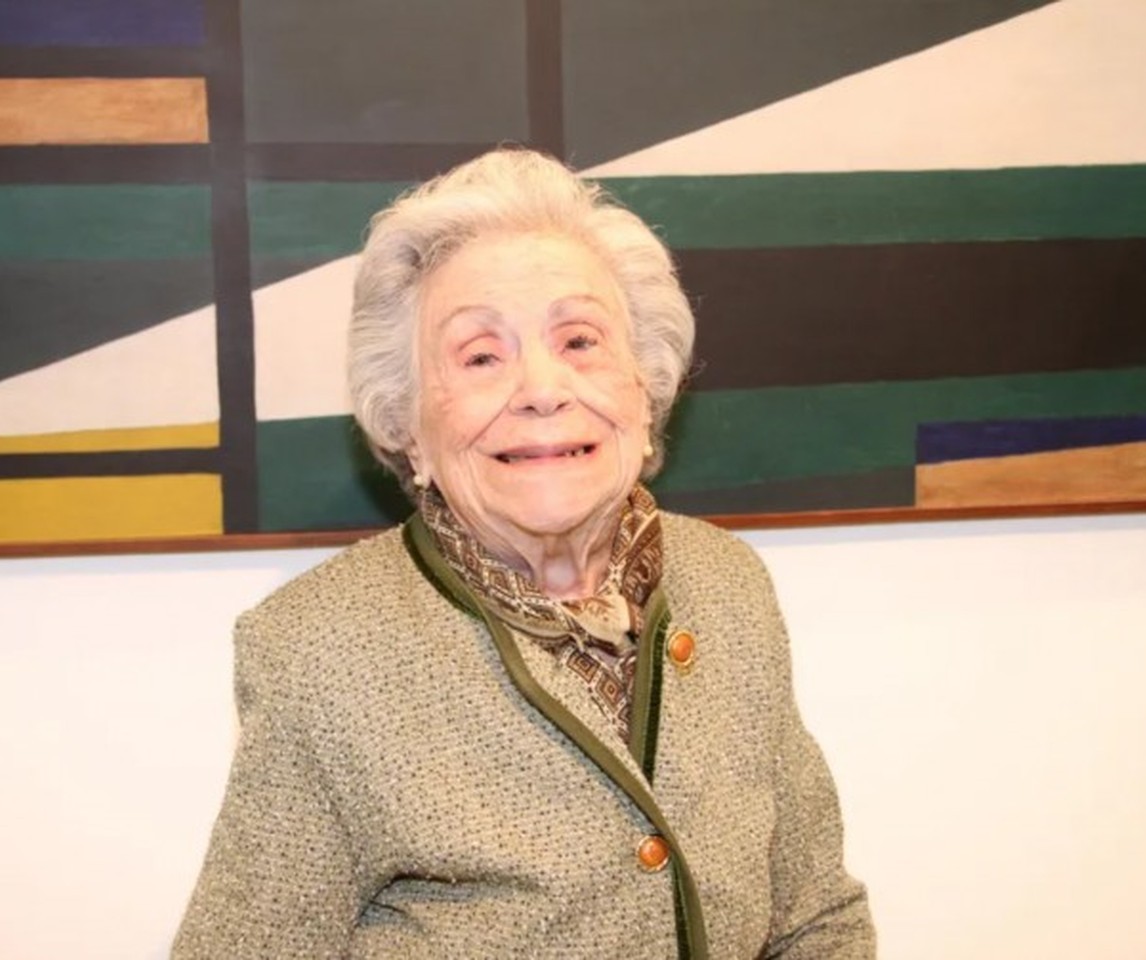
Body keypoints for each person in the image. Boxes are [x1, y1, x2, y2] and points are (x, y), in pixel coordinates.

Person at [173, 147, 874, 959]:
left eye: (579, 341)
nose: (542, 389)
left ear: (645, 389)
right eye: (481, 356)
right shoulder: (317, 652)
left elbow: (815, 917)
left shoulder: (728, 584)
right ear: (408, 427)